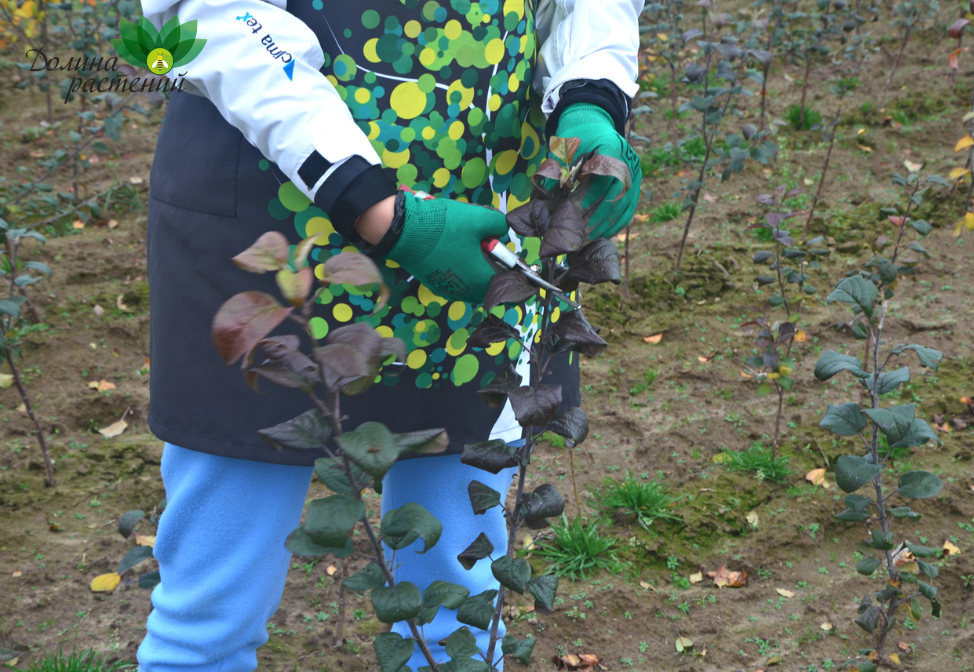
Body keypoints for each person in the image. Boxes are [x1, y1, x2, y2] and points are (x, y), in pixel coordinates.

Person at [136, 0, 642, 669]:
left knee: (452, 610)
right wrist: (376, 206)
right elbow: (212, 13)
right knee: (211, 612)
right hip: (271, 217)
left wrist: (590, 93)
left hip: (474, 226)